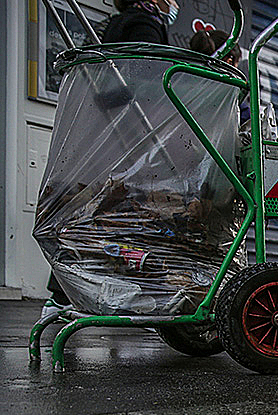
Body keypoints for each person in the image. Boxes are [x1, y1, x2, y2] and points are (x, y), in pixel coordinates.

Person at [40, 0, 179, 319]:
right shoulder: (145, 24)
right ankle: (141, 291)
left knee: (93, 218)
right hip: (132, 132)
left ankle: (60, 295)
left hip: (108, 131)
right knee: (135, 215)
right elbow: (153, 78)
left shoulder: (115, 23)